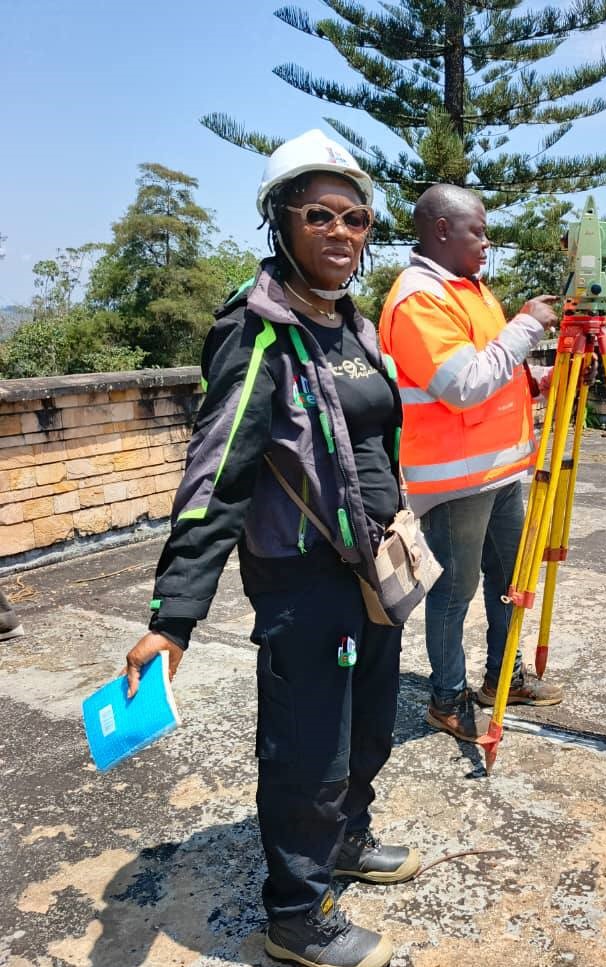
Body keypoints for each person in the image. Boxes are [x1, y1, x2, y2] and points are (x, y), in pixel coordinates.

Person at [122, 130, 414, 967]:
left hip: (372, 569)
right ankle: (296, 912)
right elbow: (215, 477)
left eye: (355, 217)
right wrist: (172, 616)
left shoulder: (350, 323)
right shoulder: (258, 332)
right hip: (303, 580)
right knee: (306, 747)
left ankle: (348, 838)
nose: (340, 232)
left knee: (367, 729)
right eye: (318, 213)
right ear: (278, 222)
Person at [379, 184, 564, 744]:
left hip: (501, 472)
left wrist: (534, 378)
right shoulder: (419, 299)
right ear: (440, 230)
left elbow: (492, 369)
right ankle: (446, 698)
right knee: (453, 593)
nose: (487, 242)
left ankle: (501, 678)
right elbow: (461, 386)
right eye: (476, 231)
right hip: (455, 481)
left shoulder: (472, 291)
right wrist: (528, 326)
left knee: (509, 580)